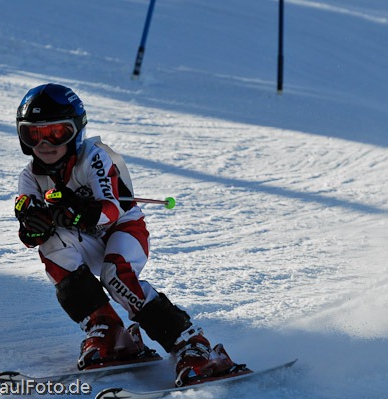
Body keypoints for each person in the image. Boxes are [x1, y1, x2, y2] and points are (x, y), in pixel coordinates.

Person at [13, 83, 241, 387]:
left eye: (56, 132)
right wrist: (33, 226)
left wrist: (77, 211)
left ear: (76, 131)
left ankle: (193, 344)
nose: (44, 144)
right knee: (51, 246)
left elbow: (110, 209)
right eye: (33, 134)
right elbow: (30, 235)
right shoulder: (30, 177)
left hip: (123, 229)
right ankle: (107, 328)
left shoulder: (93, 157)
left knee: (115, 276)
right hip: (86, 238)